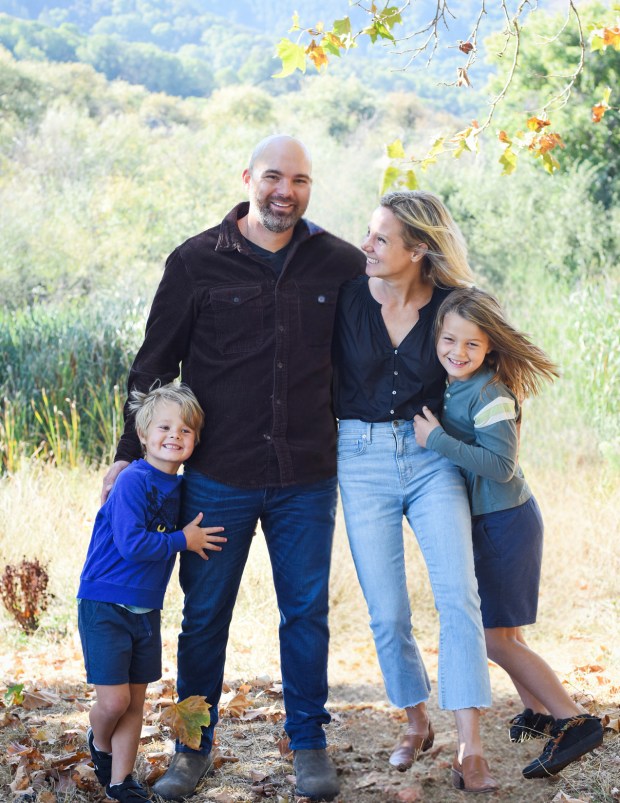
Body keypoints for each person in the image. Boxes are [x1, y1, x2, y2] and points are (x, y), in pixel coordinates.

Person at [101, 134, 366, 801]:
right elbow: (153, 363)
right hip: (217, 477)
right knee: (205, 613)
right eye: (274, 177)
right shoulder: (195, 262)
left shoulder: (338, 263)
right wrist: (125, 456)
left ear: (310, 186)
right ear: (248, 177)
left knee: (305, 611)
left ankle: (308, 742)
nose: (286, 192)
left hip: (307, 474)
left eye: (299, 180)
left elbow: (369, 349)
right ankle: (192, 747)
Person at [333, 190, 498, 794]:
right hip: (360, 457)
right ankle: (414, 720)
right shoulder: (347, 298)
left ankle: (470, 746)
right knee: (387, 610)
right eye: (369, 233)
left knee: (459, 596)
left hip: (432, 458)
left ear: (419, 249)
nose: (367, 246)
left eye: (381, 239)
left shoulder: (454, 309)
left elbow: (489, 372)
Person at [412, 286, 604, 779]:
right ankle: (539, 713)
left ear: (490, 347)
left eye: (471, 345)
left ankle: (573, 721)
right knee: (505, 629)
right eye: (449, 340)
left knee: (495, 640)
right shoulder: (459, 382)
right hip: (492, 522)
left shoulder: (491, 393)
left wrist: (436, 440)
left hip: (505, 522)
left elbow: (500, 465)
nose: (457, 352)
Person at [78, 383, 226, 803]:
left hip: (146, 610)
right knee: (113, 702)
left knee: (135, 703)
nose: (174, 436)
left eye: (186, 430)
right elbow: (131, 544)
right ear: (143, 434)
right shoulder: (132, 482)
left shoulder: (181, 488)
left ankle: (122, 782)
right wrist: (183, 539)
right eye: (164, 427)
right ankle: (99, 740)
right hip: (105, 602)